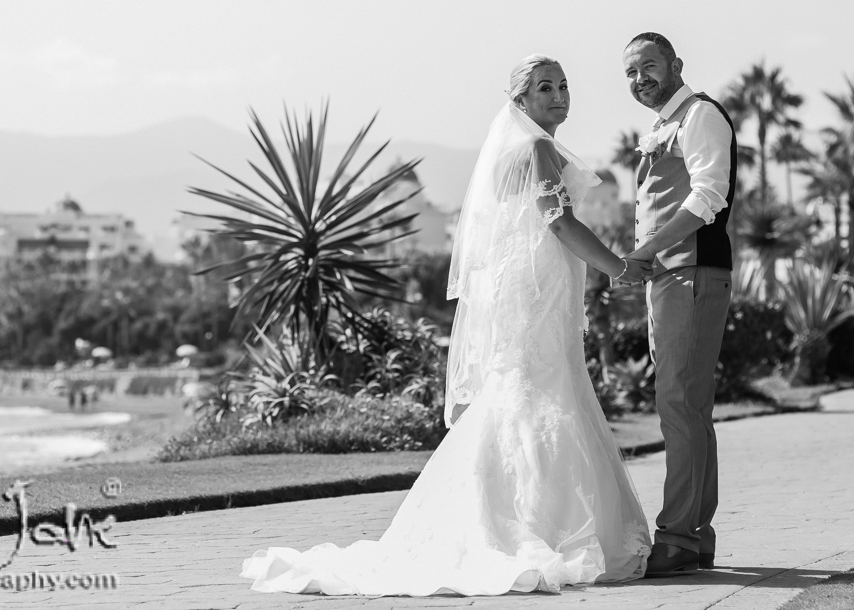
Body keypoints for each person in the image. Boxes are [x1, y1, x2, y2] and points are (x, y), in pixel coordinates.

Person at [240, 54, 653, 597]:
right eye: (544, 87)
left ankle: (509, 517)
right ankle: (539, 527)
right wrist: (619, 267)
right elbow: (558, 222)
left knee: (525, 390)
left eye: (563, 85)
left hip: (528, 290)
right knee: (538, 391)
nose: (558, 95)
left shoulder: (512, 154)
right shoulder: (535, 148)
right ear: (521, 101)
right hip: (536, 292)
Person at [621, 32, 737, 576]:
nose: (640, 77)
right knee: (686, 404)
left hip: (691, 271)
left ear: (676, 65)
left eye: (649, 66)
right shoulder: (662, 125)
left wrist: (646, 249)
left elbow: (708, 196)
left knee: (678, 401)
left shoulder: (700, 116)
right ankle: (695, 535)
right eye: (630, 71)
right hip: (671, 276)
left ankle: (678, 535)